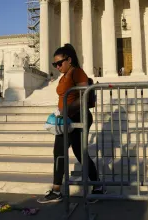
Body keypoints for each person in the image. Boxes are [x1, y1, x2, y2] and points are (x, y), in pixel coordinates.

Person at [37, 43, 104, 204]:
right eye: (55, 64)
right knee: (59, 151)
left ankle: (97, 187)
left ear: (70, 60)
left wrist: (65, 110)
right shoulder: (64, 75)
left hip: (79, 118)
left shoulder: (77, 72)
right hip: (66, 119)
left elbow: (84, 96)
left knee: (79, 152)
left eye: (60, 63)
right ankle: (56, 189)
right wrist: (60, 112)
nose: (57, 66)